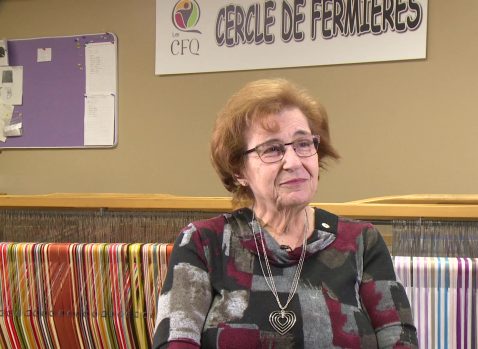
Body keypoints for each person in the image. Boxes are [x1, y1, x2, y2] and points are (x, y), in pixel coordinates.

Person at [153, 78, 418, 348]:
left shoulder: (362, 242)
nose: (293, 162)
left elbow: (400, 341)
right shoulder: (203, 243)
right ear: (239, 170)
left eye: (303, 144)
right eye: (272, 149)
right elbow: (175, 341)